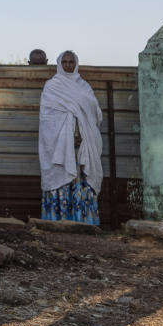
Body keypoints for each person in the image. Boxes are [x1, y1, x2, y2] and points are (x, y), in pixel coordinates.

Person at [38, 50, 103, 225]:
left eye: (71, 62)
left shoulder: (84, 87)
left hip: (83, 145)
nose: (68, 65)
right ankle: (57, 221)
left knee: (81, 180)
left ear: (76, 64)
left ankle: (84, 221)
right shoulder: (51, 87)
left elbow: (94, 115)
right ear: (60, 64)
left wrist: (84, 134)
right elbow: (46, 120)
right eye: (65, 62)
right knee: (61, 177)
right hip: (60, 146)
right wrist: (67, 136)